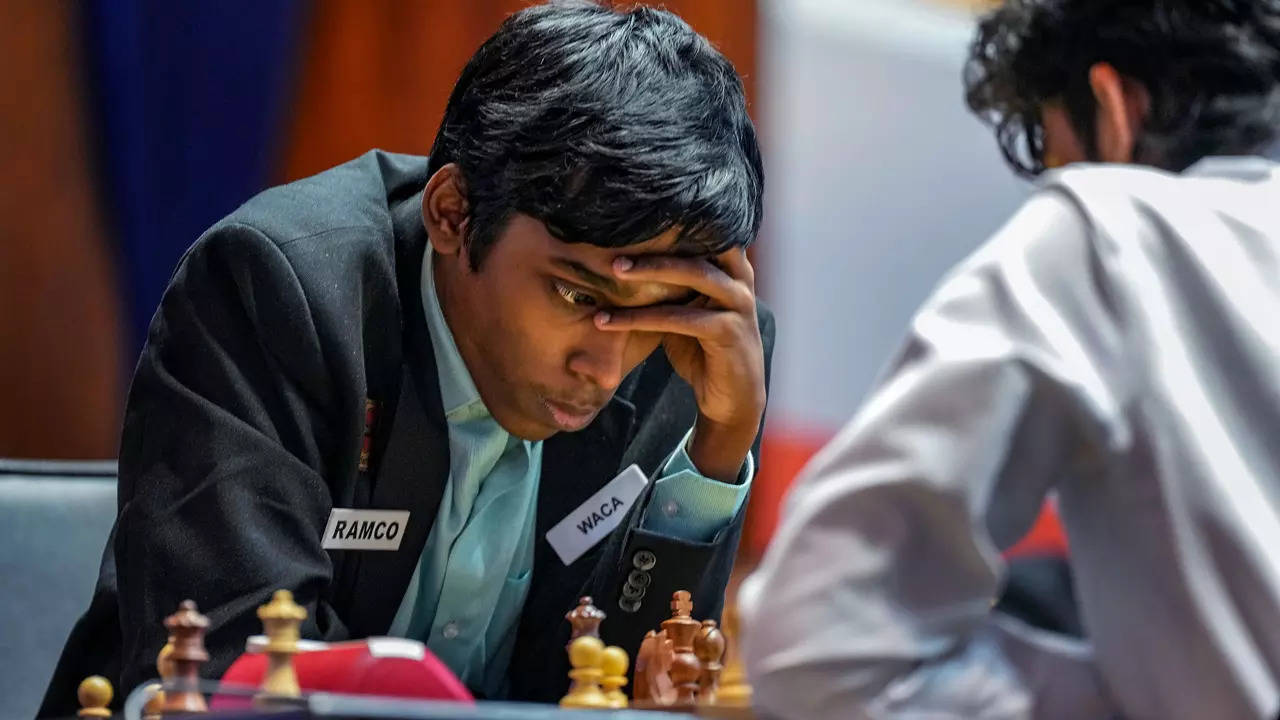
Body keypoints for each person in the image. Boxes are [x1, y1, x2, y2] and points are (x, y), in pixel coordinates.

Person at [41, 1, 770, 714]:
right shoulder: (279, 291)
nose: (607, 371)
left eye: (641, 320)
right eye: (575, 297)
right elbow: (238, 669)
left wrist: (714, 458)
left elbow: (617, 690)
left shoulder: (685, 353)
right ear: (452, 212)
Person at [741, 1, 1280, 718]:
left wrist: (1149, 696)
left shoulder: (1114, 228)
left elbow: (817, 643)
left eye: (1061, 162)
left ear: (1113, 104)